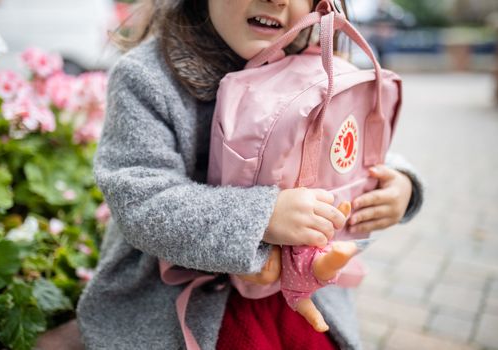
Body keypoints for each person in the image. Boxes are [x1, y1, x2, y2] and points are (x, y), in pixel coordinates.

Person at [77, 0, 424, 349]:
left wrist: (400, 182)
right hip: (181, 299)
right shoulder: (148, 77)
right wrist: (264, 215)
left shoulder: (316, 61)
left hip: (295, 292)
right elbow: (142, 201)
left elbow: (352, 145)